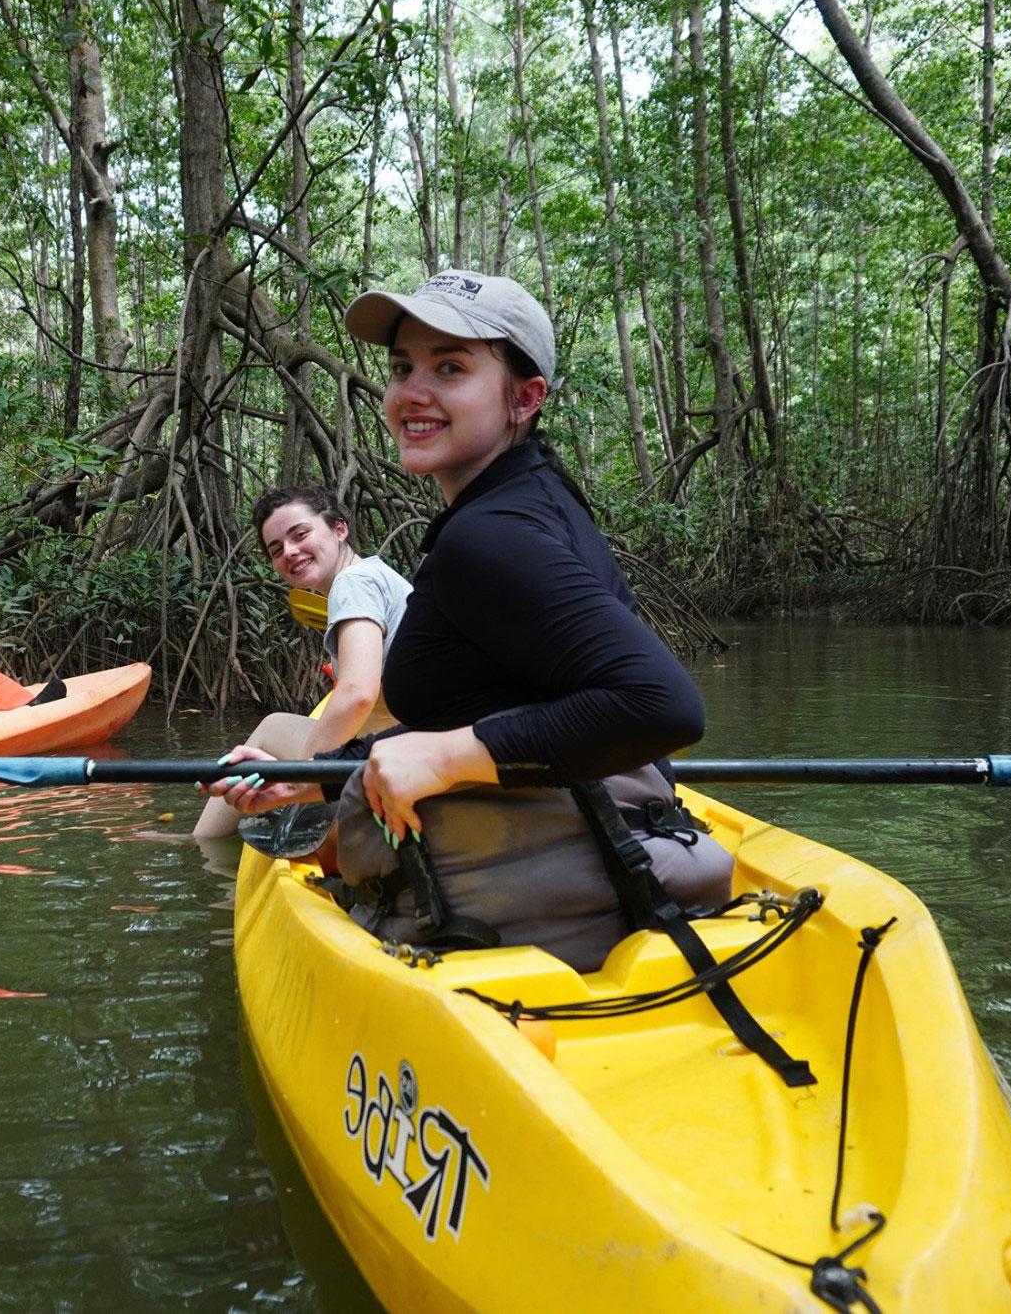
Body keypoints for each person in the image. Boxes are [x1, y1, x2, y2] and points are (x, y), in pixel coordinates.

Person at [208, 270, 732, 970]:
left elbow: (662, 706)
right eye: (401, 368)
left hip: (534, 898)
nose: (410, 392)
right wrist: (316, 777)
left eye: (450, 367)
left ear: (525, 397)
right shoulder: (531, 494)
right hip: (567, 849)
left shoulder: (490, 535)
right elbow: (502, 709)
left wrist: (445, 754)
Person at [191, 486, 412, 840]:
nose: (290, 552)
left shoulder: (353, 583)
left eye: (300, 534)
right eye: (276, 550)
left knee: (267, 735)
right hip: (398, 743)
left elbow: (356, 693)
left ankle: (204, 847)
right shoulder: (372, 573)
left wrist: (299, 779)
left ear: (339, 529)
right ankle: (205, 843)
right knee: (274, 724)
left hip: (398, 755)